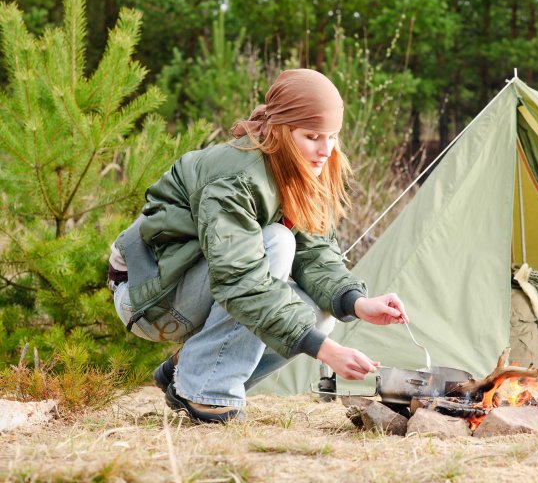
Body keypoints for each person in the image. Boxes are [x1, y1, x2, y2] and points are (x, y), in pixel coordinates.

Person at [108, 69, 407, 423]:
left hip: (195, 287)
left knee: (319, 315)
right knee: (277, 243)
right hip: (148, 296)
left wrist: (356, 303)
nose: (326, 150)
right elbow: (240, 282)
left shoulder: (300, 169)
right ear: (281, 130)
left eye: (332, 137)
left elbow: (315, 253)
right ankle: (208, 394)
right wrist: (326, 353)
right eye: (312, 136)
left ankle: (187, 371)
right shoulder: (236, 178)